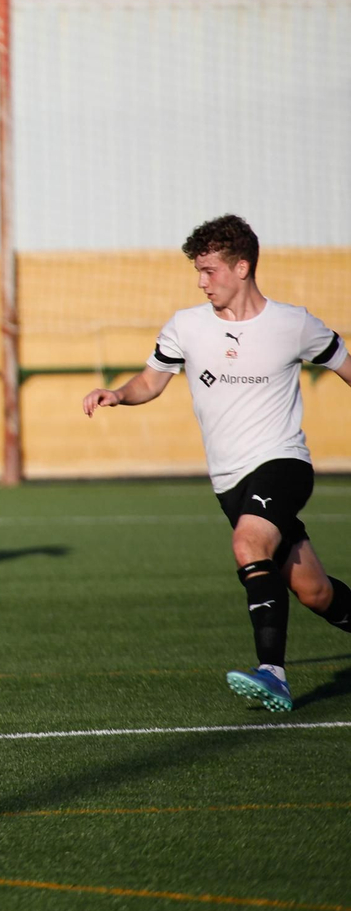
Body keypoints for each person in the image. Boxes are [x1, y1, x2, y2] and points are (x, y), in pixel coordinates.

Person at [83, 214, 351, 712]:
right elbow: (151, 381)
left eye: (209, 270)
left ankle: (272, 673)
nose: (201, 281)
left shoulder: (293, 324)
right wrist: (118, 394)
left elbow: (346, 366)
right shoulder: (186, 326)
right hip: (229, 482)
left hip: (283, 462)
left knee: (248, 542)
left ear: (242, 267)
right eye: (198, 271)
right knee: (314, 591)